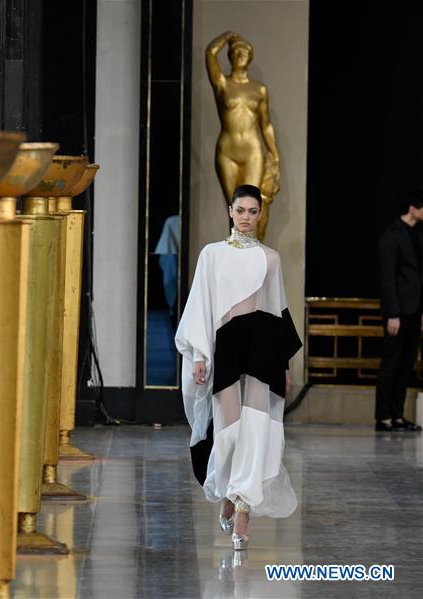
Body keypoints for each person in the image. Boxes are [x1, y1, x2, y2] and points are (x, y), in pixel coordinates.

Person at [175, 184, 302, 551]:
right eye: (241, 210)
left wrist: (284, 364)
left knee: (256, 430)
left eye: (253, 211)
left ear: (261, 214)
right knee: (228, 432)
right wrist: (200, 355)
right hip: (226, 350)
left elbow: (277, 313)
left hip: (261, 352)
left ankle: (244, 510)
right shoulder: (212, 255)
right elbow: (200, 305)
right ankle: (231, 492)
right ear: (230, 211)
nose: (246, 217)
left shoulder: (271, 259)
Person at [206, 31, 280, 241]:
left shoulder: (259, 89)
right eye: (236, 51)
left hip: (252, 152)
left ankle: (252, 252)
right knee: (235, 210)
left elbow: (266, 125)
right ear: (230, 55)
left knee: (251, 208)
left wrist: (275, 156)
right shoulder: (222, 83)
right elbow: (210, 53)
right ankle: (237, 254)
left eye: (245, 51)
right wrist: (227, 37)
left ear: (250, 57)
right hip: (227, 151)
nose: (240, 54)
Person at [375, 193, 423, 432]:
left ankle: (397, 415)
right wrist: (393, 314)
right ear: (413, 208)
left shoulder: (418, 234)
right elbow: (388, 278)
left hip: (414, 310)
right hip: (398, 312)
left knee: (406, 364)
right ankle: (383, 417)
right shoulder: (392, 235)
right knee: (391, 363)